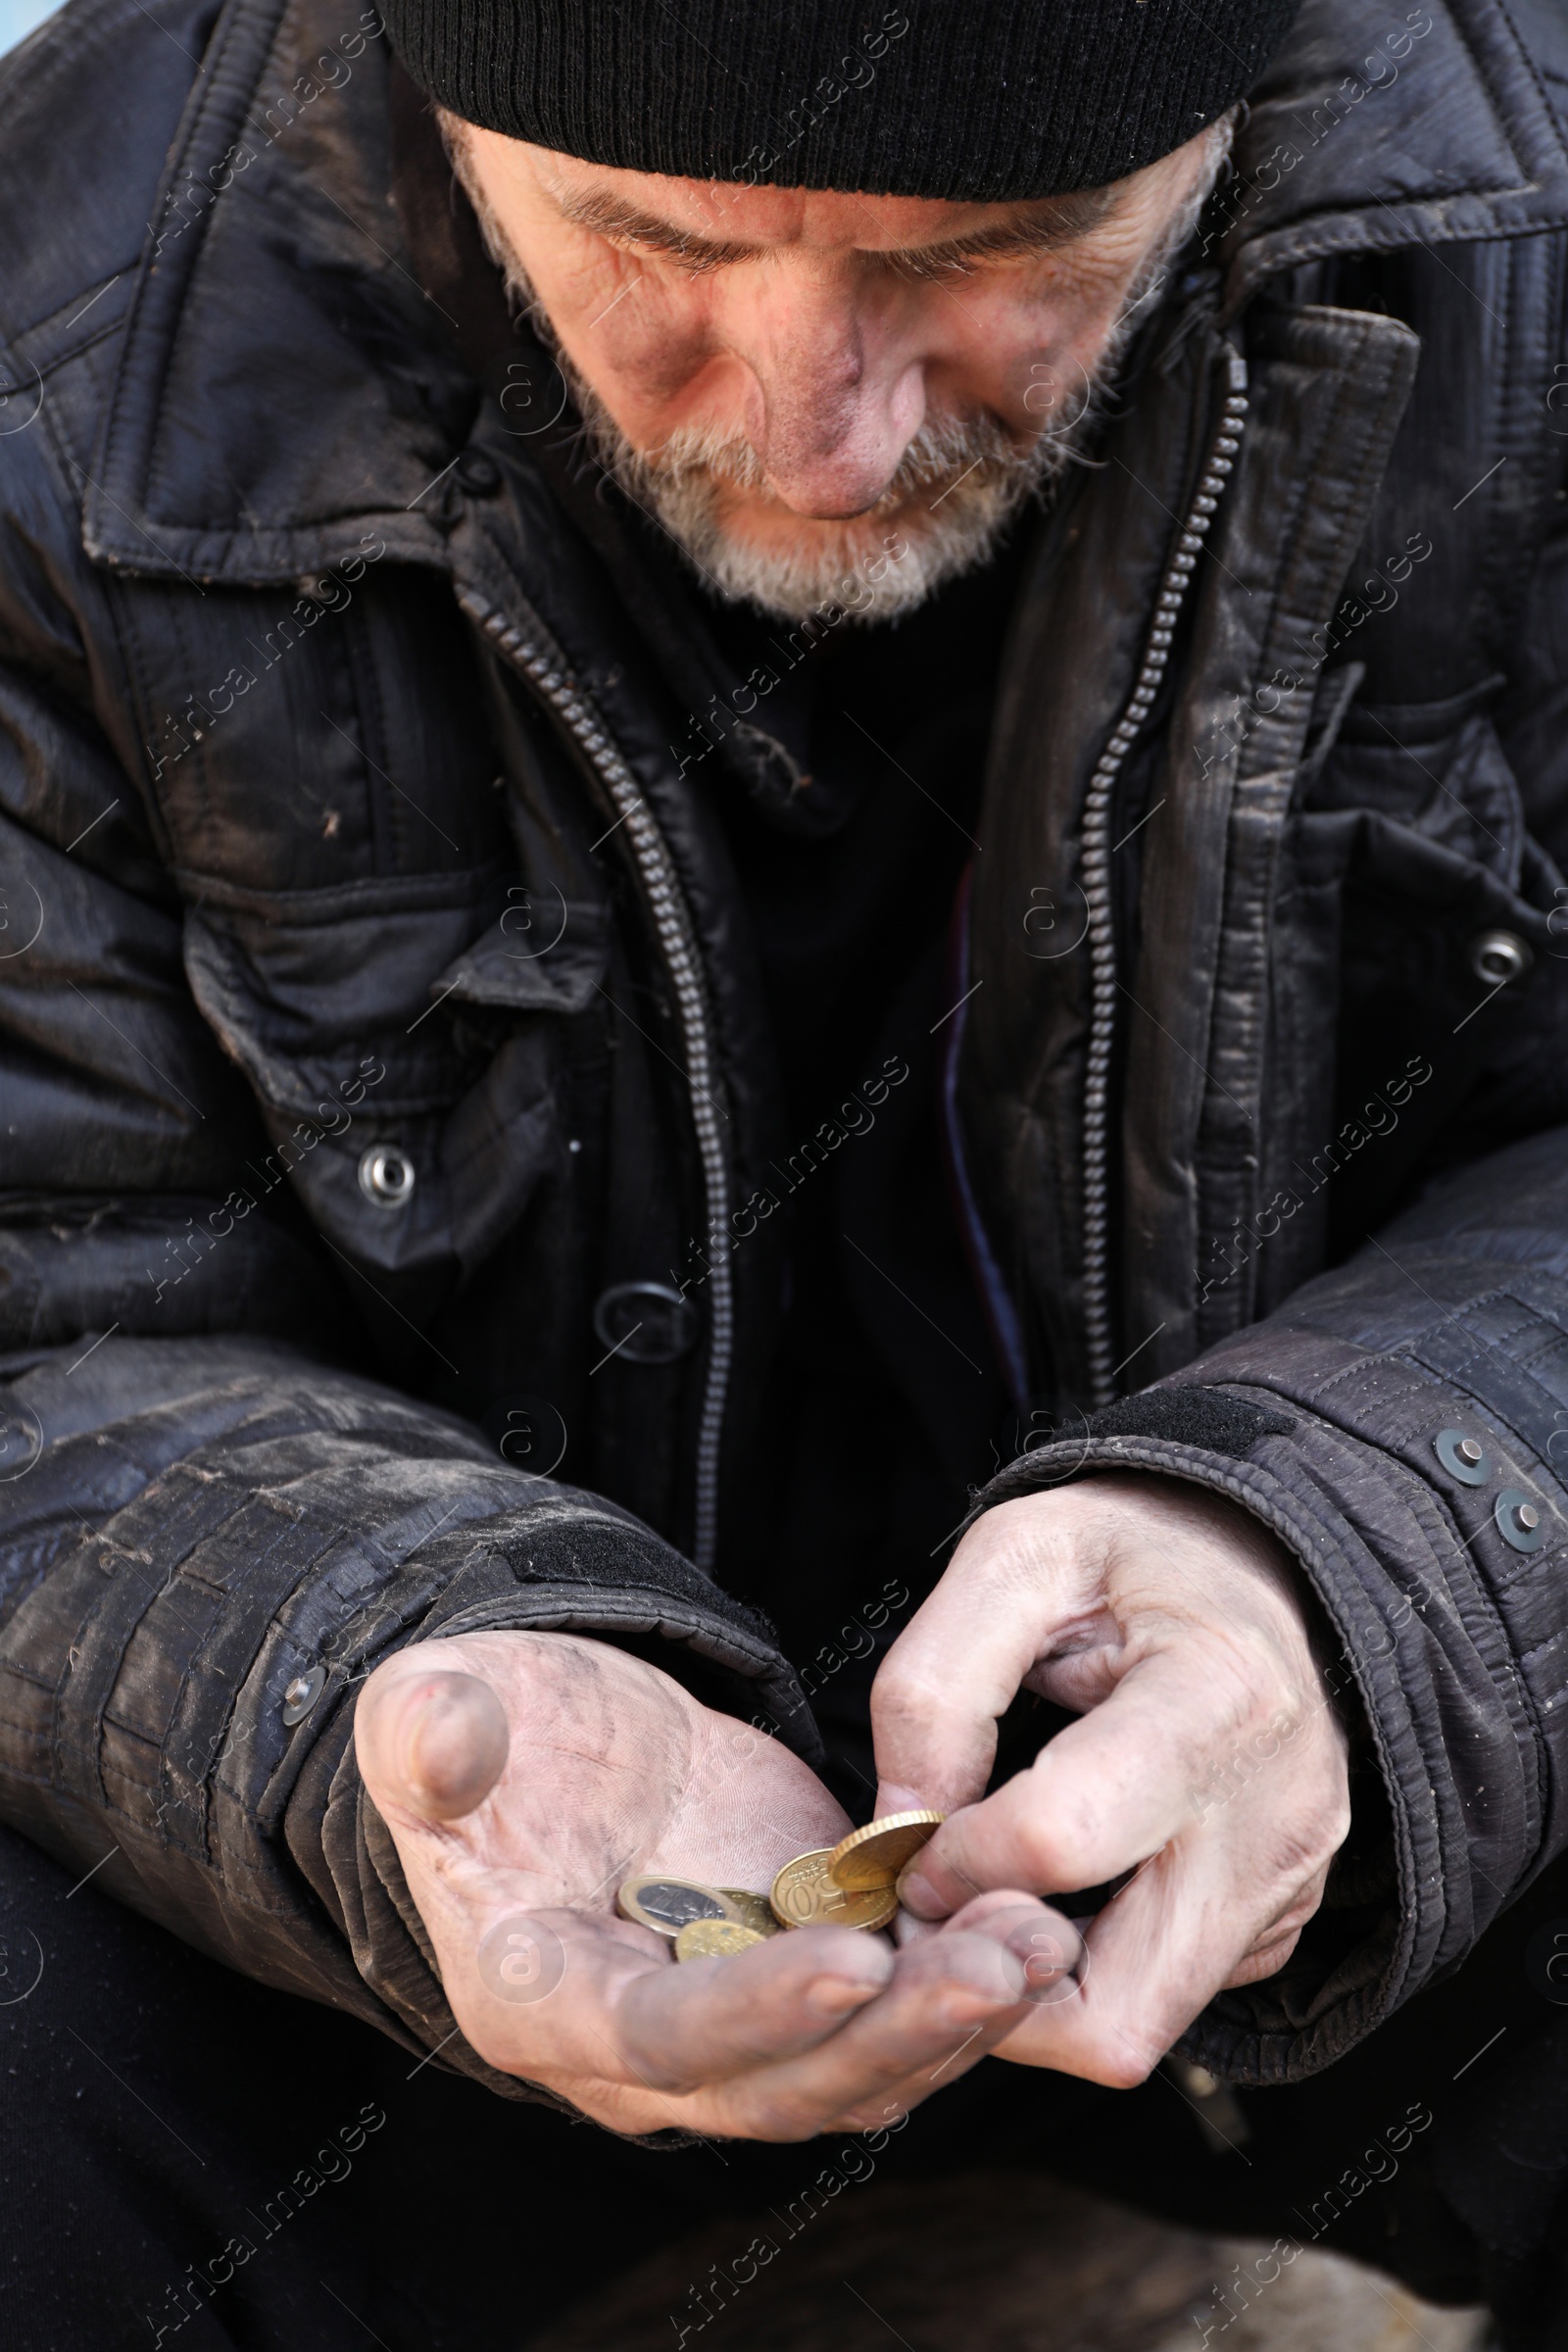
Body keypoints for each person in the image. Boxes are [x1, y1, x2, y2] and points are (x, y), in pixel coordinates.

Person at [3, 0, 1568, 2339]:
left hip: (1375, 1848)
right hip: (410, 1947)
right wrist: (367, 1687)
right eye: (647, 238)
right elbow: (42, 1297)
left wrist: (1346, 1569)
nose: (815, 430)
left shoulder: (1525, 232)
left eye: (992, 253)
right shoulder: (54, 343)